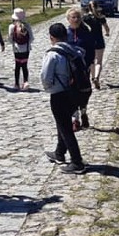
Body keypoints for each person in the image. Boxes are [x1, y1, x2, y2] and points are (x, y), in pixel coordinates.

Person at [41, 22, 86, 174]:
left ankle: (77, 161)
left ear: (51, 37)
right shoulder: (74, 51)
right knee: (63, 123)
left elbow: (46, 77)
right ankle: (59, 153)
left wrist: (49, 89)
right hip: (75, 93)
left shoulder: (52, 54)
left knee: (66, 128)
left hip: (59, 94)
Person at [65, 7, 95, 128]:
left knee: (84, 93)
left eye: (78, 17)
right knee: (71, 94)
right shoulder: (66, 34)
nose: (76, 19)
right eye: (73, 17)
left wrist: (88, 65)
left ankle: (83, 112)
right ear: (68, 19)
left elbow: (91, 51)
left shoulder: (86, 33)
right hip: (69, 70)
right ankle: (75, 119)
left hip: (83, 69)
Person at [83, 1, 110, 89]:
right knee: (99, 61)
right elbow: (106, 27)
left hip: (90, 41)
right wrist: (107, 33)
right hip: (99, 40)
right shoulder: (101, 17)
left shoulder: (86, 17)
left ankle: (93, 76)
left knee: (91, 61)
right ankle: (96, 77)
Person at [8, 8, 34, 90]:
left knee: (17, 66)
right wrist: (28, 44)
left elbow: (10, 38)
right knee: (24, 66)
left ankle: (16, 84)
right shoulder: (27, 25)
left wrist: (14, 44)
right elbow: (32, 38)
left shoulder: (12, 26)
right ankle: (25, 82)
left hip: (16, 49)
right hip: (26, 49)